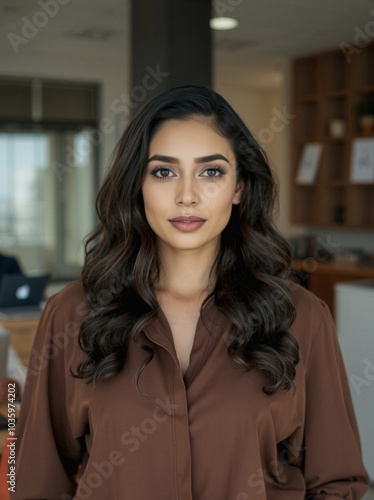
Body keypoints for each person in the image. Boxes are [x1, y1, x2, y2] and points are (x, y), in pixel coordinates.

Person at [11, 86, 369, 499]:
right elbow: (33, 476)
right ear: (137, 186)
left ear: (239, 188)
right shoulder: (71, 313)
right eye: (163, 171)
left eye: (211, 171)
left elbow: (337, 481)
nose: (187, 195)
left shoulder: (302, 316)